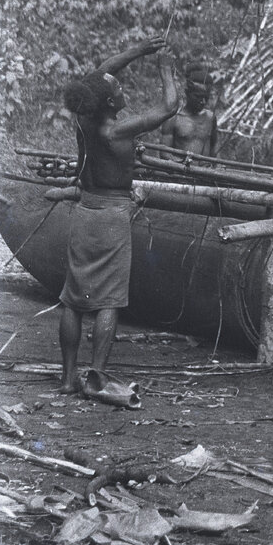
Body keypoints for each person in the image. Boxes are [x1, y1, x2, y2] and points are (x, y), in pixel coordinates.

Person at [56, 37, 179, 394]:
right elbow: (169, 108)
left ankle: (67, 380)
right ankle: (95, 376)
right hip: (111, 217)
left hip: (84, 211)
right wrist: (165, 70)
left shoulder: (84, 116)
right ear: (110, 102)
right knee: (108, 299)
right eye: (119, 88)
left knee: (73, 299)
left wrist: (138, 50)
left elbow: (98, 75)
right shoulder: (114, 129)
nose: (121, 87)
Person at [160, 60, 219, 156]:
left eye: (206, 98)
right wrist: (182, 165)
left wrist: (217, 167)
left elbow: (215, 148)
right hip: (179, 169)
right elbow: (164, 154)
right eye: (198, 97)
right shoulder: (173, 118)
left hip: (205, 170)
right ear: (187, 93)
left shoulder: (210, 118)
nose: (203, 102)